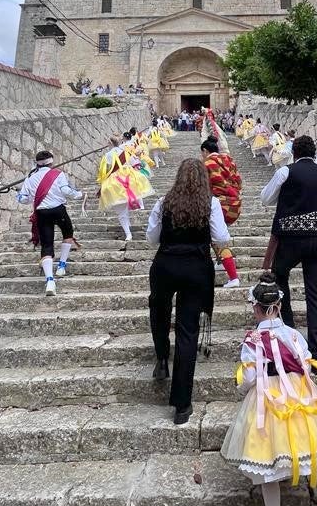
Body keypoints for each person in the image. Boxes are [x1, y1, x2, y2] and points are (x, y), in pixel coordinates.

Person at [220, 275, 317, 506]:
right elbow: (307, 366)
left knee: (267, 455)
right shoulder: (293, 335)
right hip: (298, 393)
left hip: (267, 397)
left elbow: (249, 376)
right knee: (301, 437)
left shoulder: (252, 340)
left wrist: (242, 389)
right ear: (279, 305)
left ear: (255, 307)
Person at [148, 158, 231, 424]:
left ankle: (162, 357)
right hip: (196, 266)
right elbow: (221, 238)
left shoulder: (164, 202)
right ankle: (182, 405)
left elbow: (152, 237)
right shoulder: (212, 203)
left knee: (159, 311)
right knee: (188, 330)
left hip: (166, 263)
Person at [260, 135, 317, 370]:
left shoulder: (286, 172)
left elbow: (266, 199)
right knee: (315, 297)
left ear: (294, 153)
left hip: (290, 240)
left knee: (280, 282)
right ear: (314, 153)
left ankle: (291, 337)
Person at [15, 150, 84, 296]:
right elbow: (65, 190)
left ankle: (50, 281)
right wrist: (78, 195)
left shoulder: (30, 178)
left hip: (42, 213)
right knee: (68, 234)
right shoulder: (58, 174)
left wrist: (22, 196)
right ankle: (61, 266)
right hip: (58, 210)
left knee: (46, 245)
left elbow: (23, 199)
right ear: (51, 162)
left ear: (37, 163)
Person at [202, 137, 243, 288]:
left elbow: (204, 185)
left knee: (218, 239)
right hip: (234, 203)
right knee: (214, 234)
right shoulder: (229, 160)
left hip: (219, 204)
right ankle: (220, 261)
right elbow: (238, 181)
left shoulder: (207, 163)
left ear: (205, 151)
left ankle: (233, 277)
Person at [97, 135, 154, 242]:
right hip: (129, 178)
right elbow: (135, 163)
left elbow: (104, 171)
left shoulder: (107, 155)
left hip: (115, 183)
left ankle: (128, 234)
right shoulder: (127, 151)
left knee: (120, 211)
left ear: (110, 143)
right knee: (124, 208)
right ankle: (131, 227)